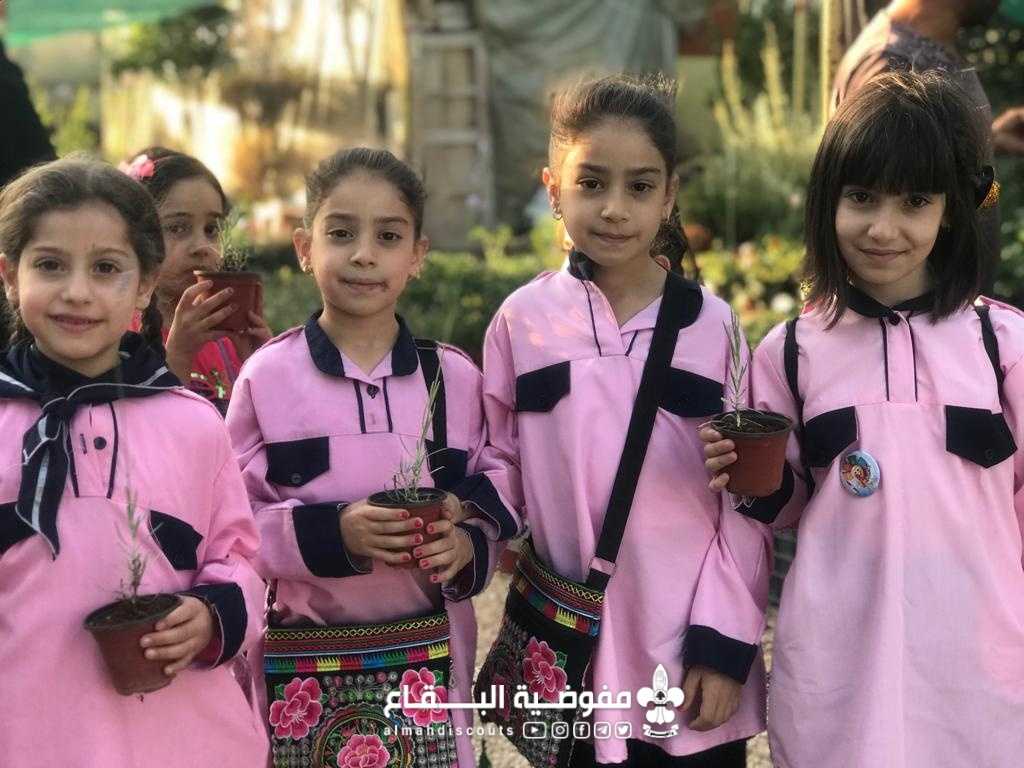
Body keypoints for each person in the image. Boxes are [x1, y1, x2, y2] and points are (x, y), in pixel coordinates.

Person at [703, 71, 1024, 767]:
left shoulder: (1003, 346)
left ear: (952, 210)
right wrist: (750, 481)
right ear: (828, 201)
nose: (883, 228)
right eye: (861, 197)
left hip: (982, 678)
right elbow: (776, 510)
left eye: (915, 202)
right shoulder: (792, 351)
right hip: (840, 676)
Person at [481, 74, 771, 767]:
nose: (614, 209)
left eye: (640, 187)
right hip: (573, 654)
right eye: (591, 183)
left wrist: (723, 645)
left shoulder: (712, 326)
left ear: (669, 195)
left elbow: (746, 500)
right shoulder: (522, 323)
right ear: (553, 189)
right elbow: (498, 464)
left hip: (684, 656)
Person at [226, 147, 521, 768]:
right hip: (306, 663)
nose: (364, 254)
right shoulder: (267, 379)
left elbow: (502, 480)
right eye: (341, 233)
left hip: (433, 659)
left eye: (388, 236)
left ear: (417, 255)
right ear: (304, 248)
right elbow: (232, 524)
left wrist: (468, 543)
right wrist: (336, 533)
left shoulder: (453, 378)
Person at [0, 157, 268, 766]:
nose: (78, 291)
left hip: (184, 742)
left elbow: (241, 557)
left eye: (106, 268)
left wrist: (211, 615)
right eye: (50, 264)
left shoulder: (193, 423)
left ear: (145, 285)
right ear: (10, 276)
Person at [121, 147, 271, 407]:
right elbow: (140, 427)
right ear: (137, 239)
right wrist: (179, 355)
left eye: (211, 229)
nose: (202, 246)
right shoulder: (120, 336)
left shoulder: (226, 337)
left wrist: (263, 363)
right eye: (177, 228)